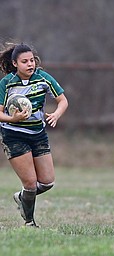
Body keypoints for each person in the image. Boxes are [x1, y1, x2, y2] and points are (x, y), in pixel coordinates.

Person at [0, 43, 68, 227]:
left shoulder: (43, 78)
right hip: (13, 135)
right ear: (15, 63)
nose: (30, 64)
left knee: (47, 182)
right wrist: (12, 119)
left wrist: (56, 114)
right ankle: (29, 222)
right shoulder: (6, 83)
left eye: (32, 60)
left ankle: (22, 197)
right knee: (30, 183)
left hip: (38, 134)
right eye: (24, 61)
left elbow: (62, 100)